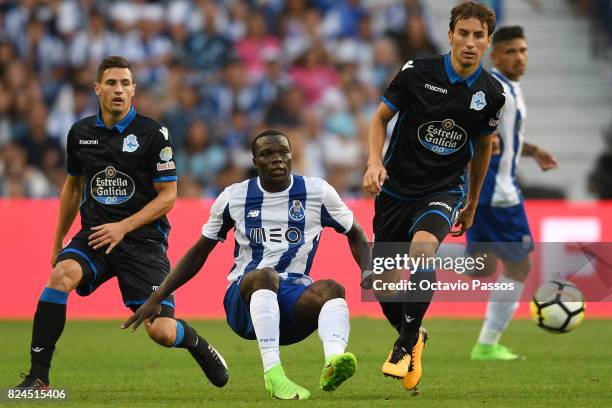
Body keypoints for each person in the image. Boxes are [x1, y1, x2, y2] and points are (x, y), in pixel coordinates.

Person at [15, 56, 228, 389]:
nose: (119, 90)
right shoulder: (80, 133)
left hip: (142, 242)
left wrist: (124, 226)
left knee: (161, 332)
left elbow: (168, 197)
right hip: (96, 236)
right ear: (97, 88)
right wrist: (58, 241)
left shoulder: (153, 134)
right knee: (60, 276)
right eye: (112, 83)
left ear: (133, 90)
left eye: (125, 83)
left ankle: (196, 342)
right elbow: (72, 187)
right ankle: (38, 377)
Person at [123, 130, 370, 400]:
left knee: (333, 289)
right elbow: (198, 253)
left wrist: (376, 281)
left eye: (283, 153)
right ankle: (273, 374)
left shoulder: (317, 192)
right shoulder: (234, 197)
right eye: (267, 154)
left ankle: (333, 362)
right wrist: (158, 296)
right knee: (264, 275)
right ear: (255, 161)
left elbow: (356, 233)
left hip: (291, 303)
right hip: (244, 300)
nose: (277, 159)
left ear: (291, 157)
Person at [362, 2, 505, 392]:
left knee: (422, 251)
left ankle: (403, 345)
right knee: (382, 285)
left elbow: (484, 147)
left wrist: (472, 201)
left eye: (479, 36)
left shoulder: (491, 94)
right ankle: (417, 335)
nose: (470, 42)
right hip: (395, 189)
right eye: (464, 33)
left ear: (488, 42)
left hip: (444, 190)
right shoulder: (417, 72)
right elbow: (378, 119)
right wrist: (374, 162)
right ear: (450, 35)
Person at [467, 26, 558, 361]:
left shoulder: (509, 88)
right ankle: (487, 344)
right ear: (495, 55)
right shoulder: (494, 90)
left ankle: (414, 253)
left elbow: (505, 139)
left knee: (480, 266)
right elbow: (474, 134)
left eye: (523, 50)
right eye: (511, 52)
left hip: (493, 189)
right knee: (520, 266)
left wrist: (532, 151)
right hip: (497, 192)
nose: (519, 57)